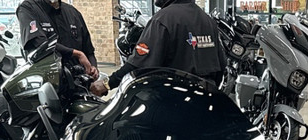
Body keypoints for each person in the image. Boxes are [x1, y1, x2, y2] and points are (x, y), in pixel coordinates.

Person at [90, 0, 225, 95]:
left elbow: (138, 65)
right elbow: (221, 65)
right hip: (206, 99)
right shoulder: (208, 20)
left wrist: (107, 84)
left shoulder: (163, 19)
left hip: (174, 100)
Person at [16, 0, 99, 78]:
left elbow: (89, 51)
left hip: (77, 81)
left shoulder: (73, 12)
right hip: (47, 81)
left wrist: (93, 68)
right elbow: (39, 43)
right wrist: (76, 53)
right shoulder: (28, 8)